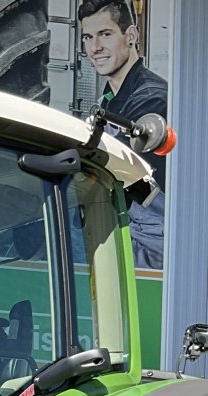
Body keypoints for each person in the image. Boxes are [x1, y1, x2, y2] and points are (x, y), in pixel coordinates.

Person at [79, 0, 169, 269]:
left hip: (148, 240)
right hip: (122, 220)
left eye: (105, 35)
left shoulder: (151, 99)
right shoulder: (110, 99)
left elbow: (130, 177)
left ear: (130, 36)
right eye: (88, 37)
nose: (95, 48)